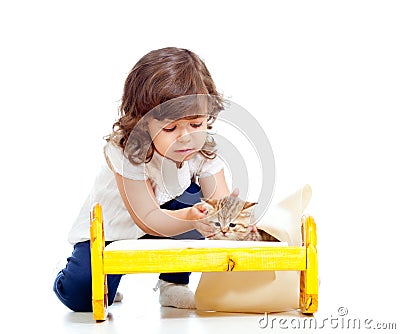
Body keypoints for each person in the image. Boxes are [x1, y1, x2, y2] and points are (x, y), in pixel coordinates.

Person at [53, 47, 231, 312]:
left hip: (169, 222)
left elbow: (221, 204)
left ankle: (173, 283)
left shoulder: (201, 150)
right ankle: (78, 280)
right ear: (143, 122)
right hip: (114, 233)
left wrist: (225, 216)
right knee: (82, 296)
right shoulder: (127, 151)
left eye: (195, 124)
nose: (186, 137)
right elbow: (146, 216)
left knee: (197, 202)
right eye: (170, 128)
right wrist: (192, 218)